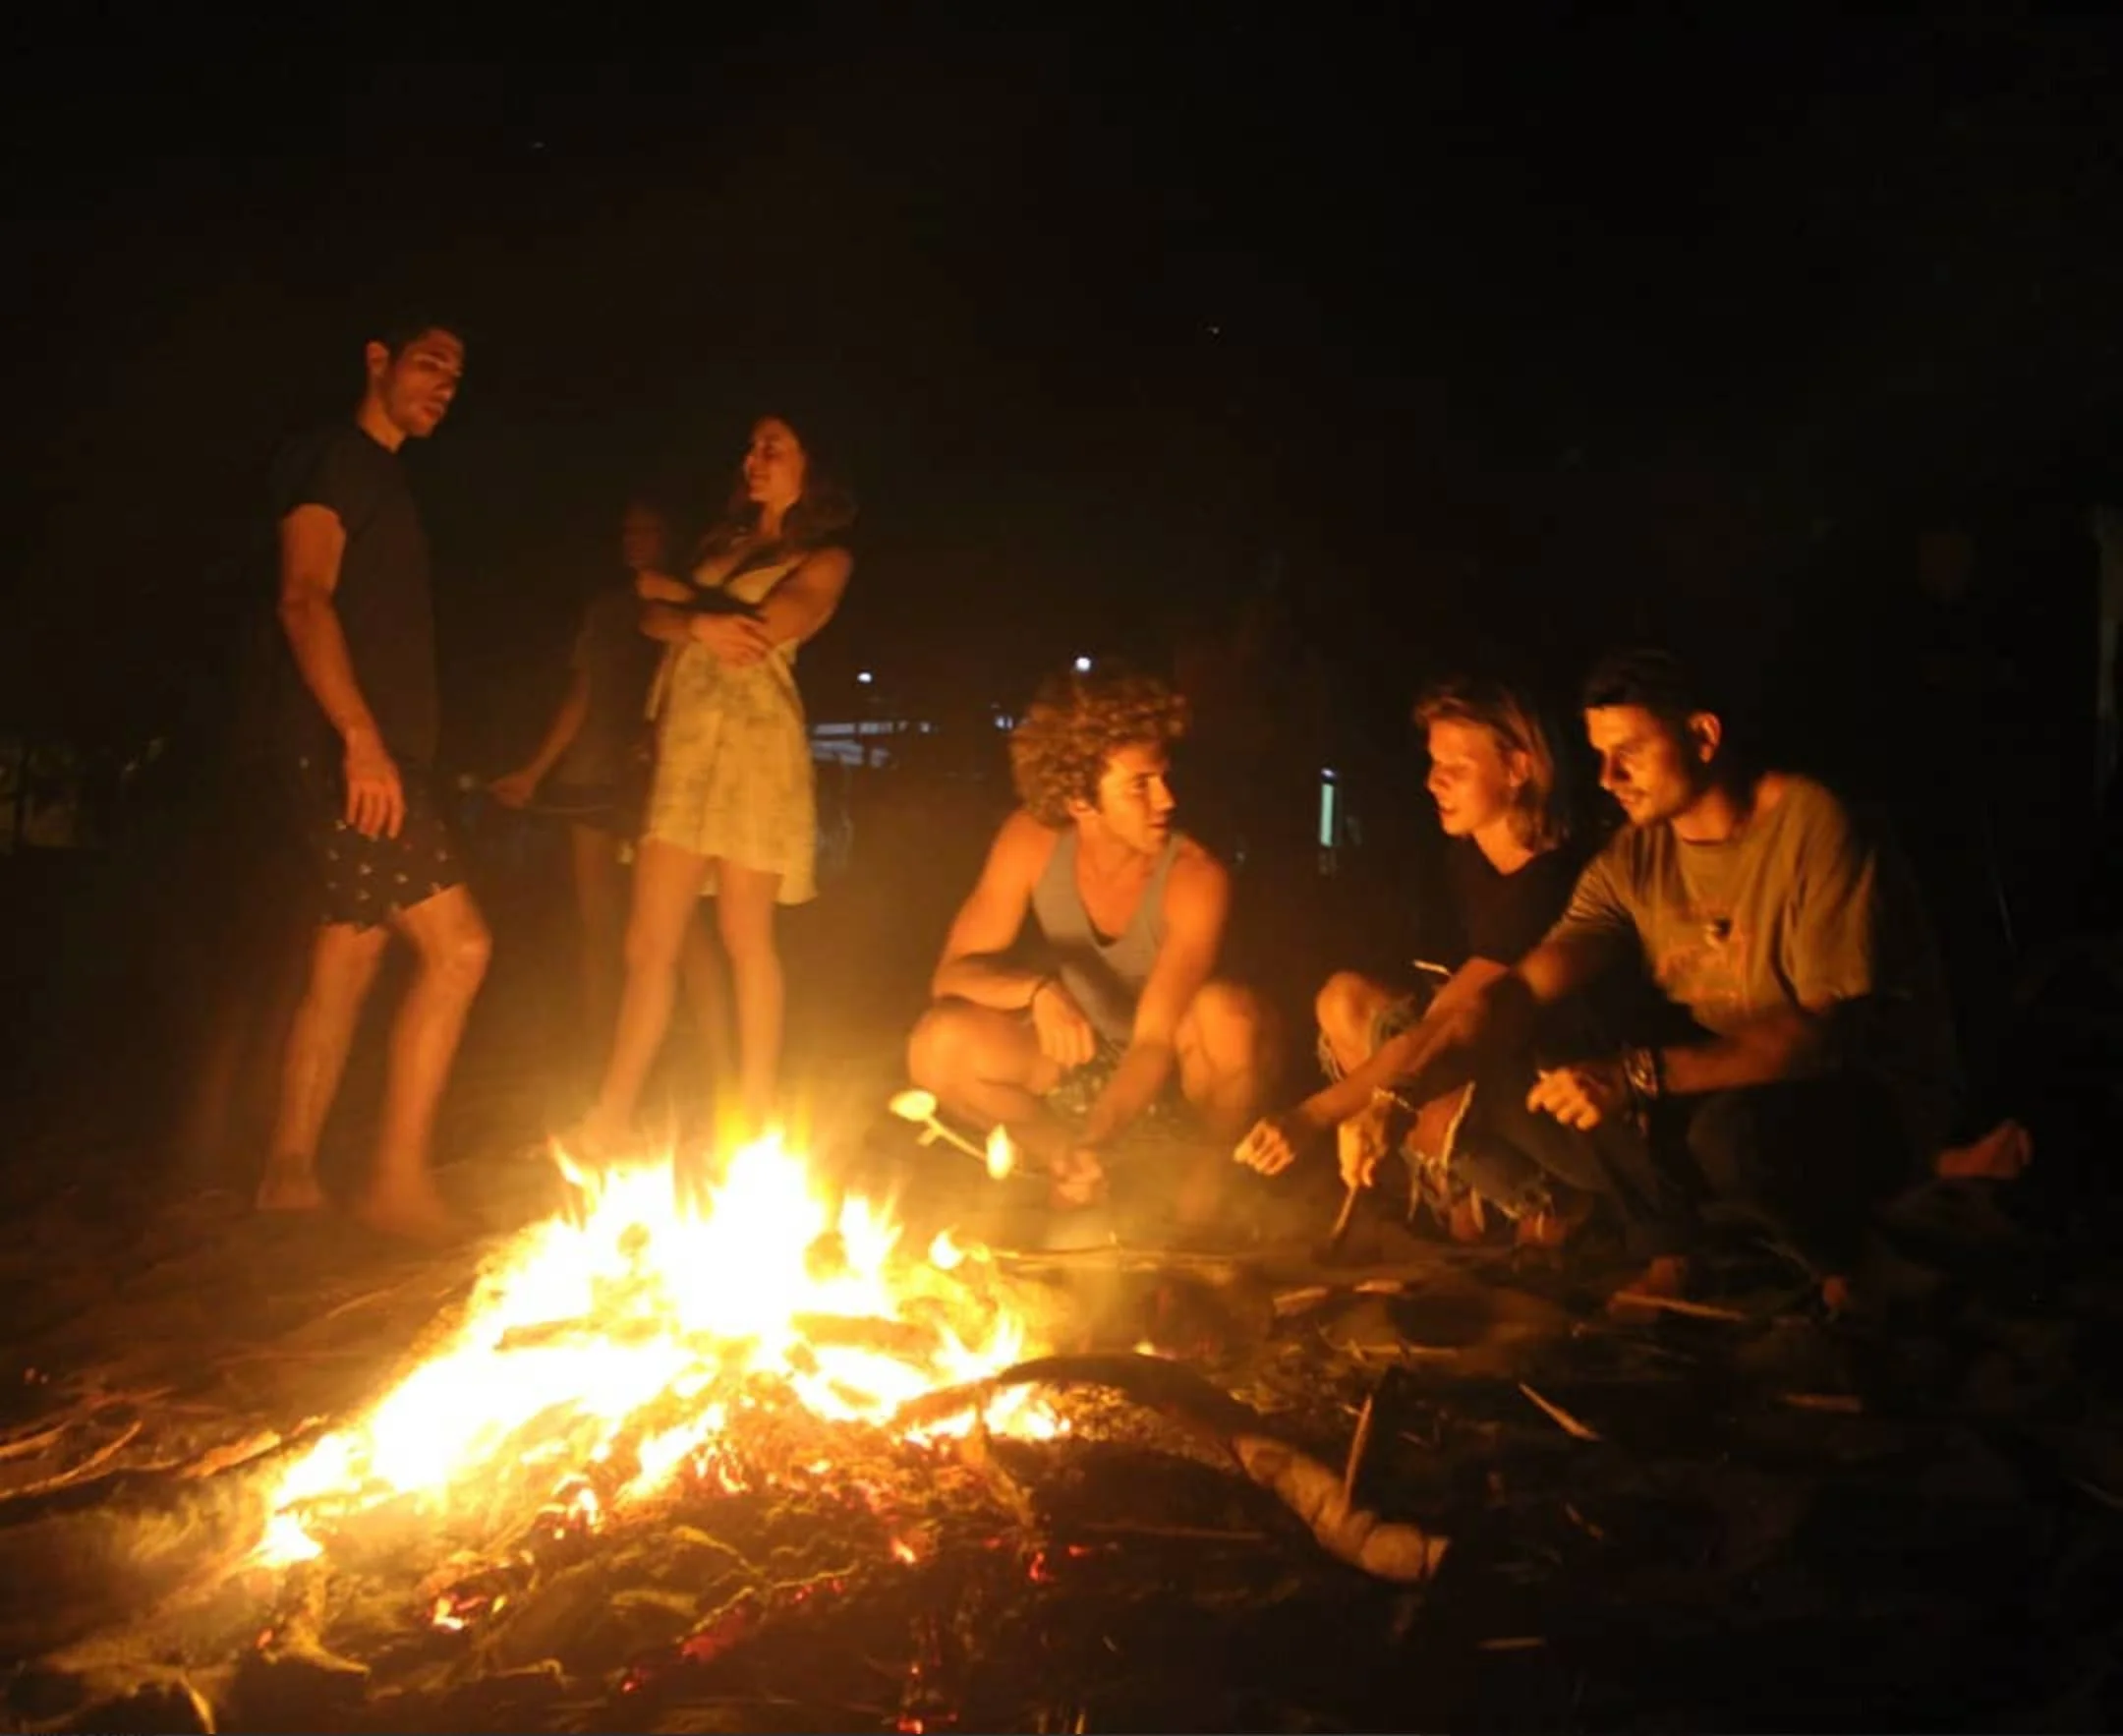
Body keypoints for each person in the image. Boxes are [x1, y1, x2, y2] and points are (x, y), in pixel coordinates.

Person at [1343, 648, 1961, 1308]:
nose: (1608, 777)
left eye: (1630, 752)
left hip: (1859, 1094)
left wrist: (1639, 1074)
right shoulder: (1633, 859)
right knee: (1537, 1041)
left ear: (1702, 737)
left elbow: (1822, 1033)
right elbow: (1523, 990)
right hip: (1724, 1086)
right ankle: (1675, 1249)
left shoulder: (1812, 823)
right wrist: (1397, 1098)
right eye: (1599, 754)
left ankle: (1850, 1268)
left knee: (1730, 1136)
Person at [258, 316, 489, 1240]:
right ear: (377, 360)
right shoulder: (341, 462)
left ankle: (290, 1175)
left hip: (361, 755)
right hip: (352, 757)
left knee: (348, 958)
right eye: (431, 363)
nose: (445, 385)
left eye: (456, 376)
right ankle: (396, 1181)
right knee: (459, 948)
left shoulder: (379, 476)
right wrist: (360, 739)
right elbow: (302, 595)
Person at [579, 413, 854, 1146]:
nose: (753, 458)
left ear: (812, 468)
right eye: (751, 446)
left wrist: (680, 601)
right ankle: (609, 1117)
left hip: (758, 751)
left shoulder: (826, 558)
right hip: (685, 747)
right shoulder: (724, 546)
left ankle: (757, 1117)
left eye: (774, 448)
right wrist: (690, 617)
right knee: (649, 942)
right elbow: (650, 620)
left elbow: (772, 623)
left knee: (745, 936)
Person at [906, 665, 1279, 1206]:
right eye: (1140, 786)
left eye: (1163, 776)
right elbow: (952, 976)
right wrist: (1036, 991)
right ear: (1080, 801)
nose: (1167, 799)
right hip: (1084, 1058)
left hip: (1179, 1069)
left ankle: (1202, 1194)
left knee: (1231, 1018)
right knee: (938, 1045)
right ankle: (1070, 1171)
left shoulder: (1195, 877)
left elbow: (1153, 1041)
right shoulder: (1030, 840)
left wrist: (1102, 1132)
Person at [1235, 677, 1587, 1243]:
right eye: (1432, 762)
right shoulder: (1466, 860)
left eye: (1458, 766)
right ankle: (1464, 1190)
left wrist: (1311, 1117)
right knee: (1344, 1001)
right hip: (1478, 1061)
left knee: (1419, 1057)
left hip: (1553, 1090)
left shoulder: (1552, 883)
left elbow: (1442, 1026)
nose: (1433, 781)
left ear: (1519, 768)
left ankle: (1546, 1203)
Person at [489, 499, 729, 1085]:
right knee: (598, 922)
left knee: (684, 929)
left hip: (658, 779)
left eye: (647, 528)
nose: (634, 538)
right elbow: (583, 694)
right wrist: (535, 770)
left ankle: (722, 1063)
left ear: (671, 537)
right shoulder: (605, 611)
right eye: (627, 529)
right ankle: (604, 1055)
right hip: (593, 774)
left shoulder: (690, 602)